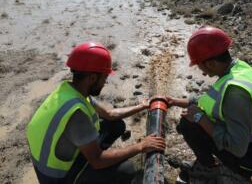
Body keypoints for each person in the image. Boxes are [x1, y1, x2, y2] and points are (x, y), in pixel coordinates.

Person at [26, 42, 166, 184]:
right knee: (127, 169)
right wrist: (140, 146)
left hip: (48, 162)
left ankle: (92, 154)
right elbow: (97, 161)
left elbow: (110, 114)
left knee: (115, 124)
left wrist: (142, 106)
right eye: (104, 78)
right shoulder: (77, 114)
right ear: (92, 78)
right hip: (58, 178)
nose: (105, 82)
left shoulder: (69, 91)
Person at [166, 26, 252, 179]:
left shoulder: (234, 94)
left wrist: (200, 118)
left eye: (198, 64)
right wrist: (174, 101)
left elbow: (237, 148)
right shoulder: (239, 68)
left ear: (211, 64)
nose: (200, 70)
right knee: (196, 118)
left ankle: (208, 168)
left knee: (188, 125)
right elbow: (209, 101)